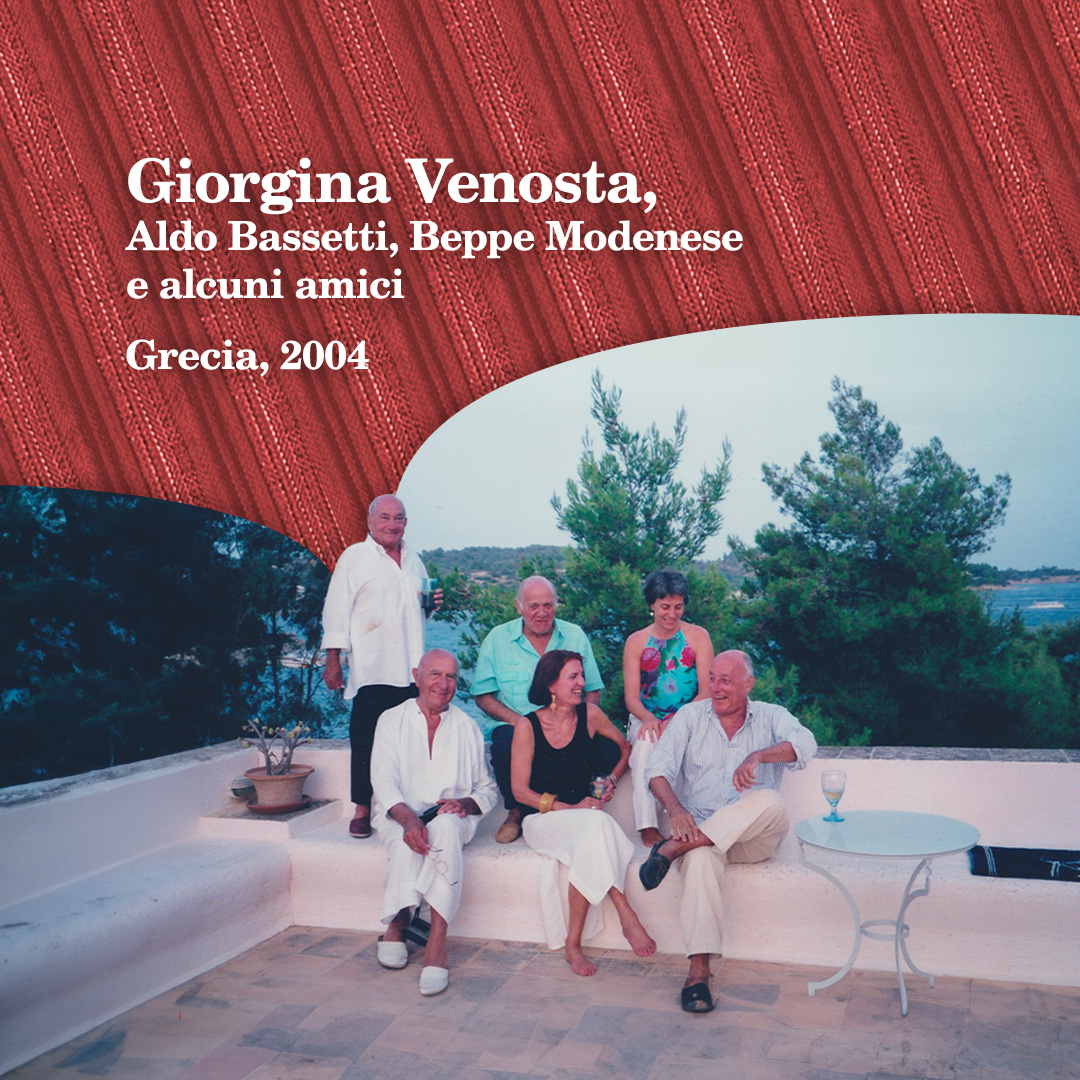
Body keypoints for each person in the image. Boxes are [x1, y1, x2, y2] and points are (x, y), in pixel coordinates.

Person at [640, 650, 817, 1014]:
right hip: (701, 831)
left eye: (726, 680)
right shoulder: (690, 717)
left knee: (771, 801)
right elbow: (656, 770)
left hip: (753, 839)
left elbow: (805, 743)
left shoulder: (771, 716)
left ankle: (673, 847)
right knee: (701, 859)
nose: (716, 688)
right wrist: (675, 809)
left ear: (748, 684)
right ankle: (698, 973)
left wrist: (758, 756)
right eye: (712, 679)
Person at [510, 649, 656, 976]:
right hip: (542, 820)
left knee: (590, 835)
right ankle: (626, 913)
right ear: (551, 684)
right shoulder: (527, 726)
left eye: (581, 676)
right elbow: (520, 792)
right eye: (573, 677)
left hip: (586, 819)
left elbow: (626, 748)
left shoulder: (590, 715)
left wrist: (612, 779)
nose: (581, 683)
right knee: (595, 824)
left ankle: (572, 945)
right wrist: (569, 808)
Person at [370, 649, 497, 996]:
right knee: (406, 840)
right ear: (417, 677)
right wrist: (409, 819)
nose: (443, 684)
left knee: (445, 829)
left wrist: (465, 803)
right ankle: (399, 920)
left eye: (451, 676)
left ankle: (437, 942)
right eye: (435, 674)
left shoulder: (467, 727)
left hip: (452, 816)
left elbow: (487, 789)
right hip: (399, 812)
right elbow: (382, 781)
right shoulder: (391, 720)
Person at [321, 494, 440, 838]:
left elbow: (418, 612)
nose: (392, 524)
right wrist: (333, 661)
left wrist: (432, 605)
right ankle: (362, 809)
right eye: (385, 517)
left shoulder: (415, 561)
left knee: (408, 742)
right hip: (373, 668)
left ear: (406, 523)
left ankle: (406, 807)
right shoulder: (354, 558)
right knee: (365, 740)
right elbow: (336, 611)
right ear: (370, 522)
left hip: (411, 670)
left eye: (399, 518)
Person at [473, 576, 610, 844]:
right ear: (518, 606)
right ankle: (516, 811)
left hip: (567, 722)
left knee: (604, 745)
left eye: (548, 605)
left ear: (557, 604)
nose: (542, 612)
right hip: (516, 725)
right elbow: (482, 695)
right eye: (533, 606)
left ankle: (578, 806)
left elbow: (593, 688)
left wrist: (582, 723)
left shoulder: (574, 635)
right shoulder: (497, 639)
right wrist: (522, 724)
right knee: (506, 743)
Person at [622, 568, 714, 847]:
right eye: (665, 607)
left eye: (678, 606)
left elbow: (707, 692)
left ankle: (698, 821)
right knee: (645, 745)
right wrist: (650, 719)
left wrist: (678, 720)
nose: (672, 614)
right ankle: (647, 825)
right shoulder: (636, 641)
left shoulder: (698, 637)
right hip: (647, 717)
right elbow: (631, 698)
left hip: (691, 715)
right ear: (652, 604)